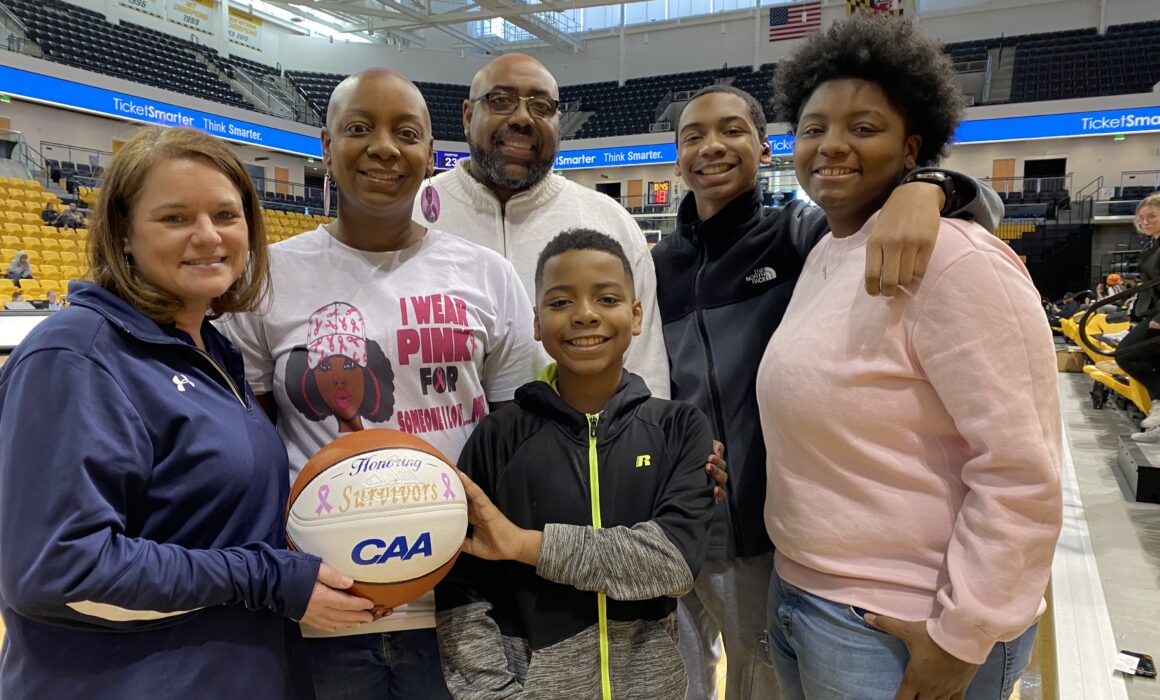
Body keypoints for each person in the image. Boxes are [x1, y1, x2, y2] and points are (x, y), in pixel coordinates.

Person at [0, 126, 375, 698]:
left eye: (226, 215)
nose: (207, 236)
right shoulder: (75, 354)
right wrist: (268, 579)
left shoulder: (211, 348)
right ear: (123, 233)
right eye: (175, 218)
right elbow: (57, 572)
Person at [653, 84, 1002, 699]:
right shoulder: (658, 263)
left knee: (758, 682)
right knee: (678, 678)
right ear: (676, 155)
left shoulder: (804, 235)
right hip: (677, 517)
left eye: (732, 130)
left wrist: (934, 186)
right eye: (693, 135)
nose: (712, 146)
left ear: (766, 146)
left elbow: (979, 211)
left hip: (765, 528)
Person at [757, 16, 1062, 699]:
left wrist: (967, 631)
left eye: (863, 128)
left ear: (911, 147)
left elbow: (1021, 468)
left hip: (903, 619)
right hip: (803, 593)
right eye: (813, 129)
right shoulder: (827, 252)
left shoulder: (956, 260)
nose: (831, 146)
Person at [221, 68, 539, 700]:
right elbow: (251, 445)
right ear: (326, 144)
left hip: (463, 605)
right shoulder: (267, 278)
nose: (384, 147)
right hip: (325, 605)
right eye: (359, 129)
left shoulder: (489, 275)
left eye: (407, 132)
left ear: (430, 155)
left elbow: (518, 433)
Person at [436, 229, 715, 698]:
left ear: (637, 314)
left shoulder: (680, 428)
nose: (585, 315)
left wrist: (523, 544)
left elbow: (671, 563)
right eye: (561, 302)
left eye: (606, 298)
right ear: (537, 323)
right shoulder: (498, 437)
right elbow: (462, 592)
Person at [412, 54, 671, 400]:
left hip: (586, 452)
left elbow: (645, 368)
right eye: (501, 101)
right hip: (436, 450)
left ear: (558, 122)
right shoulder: (411, 213)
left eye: (541, 106)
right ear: (468, 115)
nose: (522, 118)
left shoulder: (610, 221)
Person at [1121, 194, 1160, 439]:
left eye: (1152, 216)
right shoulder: (1153, 244)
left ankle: (1158, 401)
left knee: (1126, 354)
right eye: (1142, 217)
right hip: (1150, 311)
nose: (1145, 222)